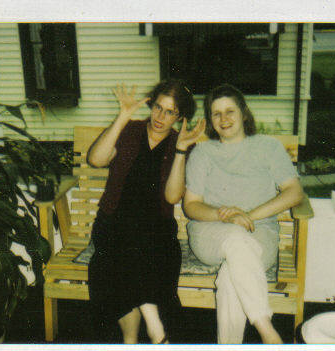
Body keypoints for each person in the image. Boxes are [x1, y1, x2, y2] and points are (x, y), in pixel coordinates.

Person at [182, 84, 303, 344]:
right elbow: (191, 206)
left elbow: (294, 193)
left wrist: (247, 215)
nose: (224, 119)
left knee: (230, 277)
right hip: (211, 233)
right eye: (216, 114)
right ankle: (267, 331)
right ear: (211, 120)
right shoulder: (202, 153)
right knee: (236, 241)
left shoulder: (268, 147)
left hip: (260, 234)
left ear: (244, 113)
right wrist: (225, 216)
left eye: (230, 111)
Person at [87, 80, 205, 344]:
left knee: (113, 265)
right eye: (158, 108)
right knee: (125, 252)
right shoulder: (129, 130)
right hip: (114, 222)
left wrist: (181, 150)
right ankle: (155, 327)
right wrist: (122, 116)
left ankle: (130, 341)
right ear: (151, 105)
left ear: (180, 116)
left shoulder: (183, 143)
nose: (161, 117)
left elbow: (172, 196)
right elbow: (96, 159)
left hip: (156, 230)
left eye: (170, 112)